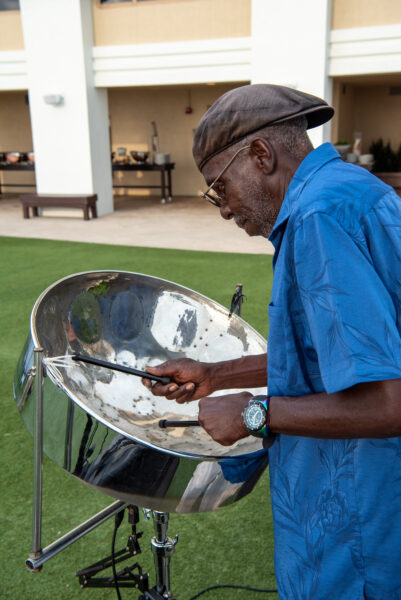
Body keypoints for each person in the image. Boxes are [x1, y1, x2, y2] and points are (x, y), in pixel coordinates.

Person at [142, 84, 401, 599]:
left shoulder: (317, 219)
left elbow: (387, 402)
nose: (222, 208)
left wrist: (253, 413)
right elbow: (325, 357)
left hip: (358, 527)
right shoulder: (354, 191)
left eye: (221, 187)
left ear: (260, 155)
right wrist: (216, 375)